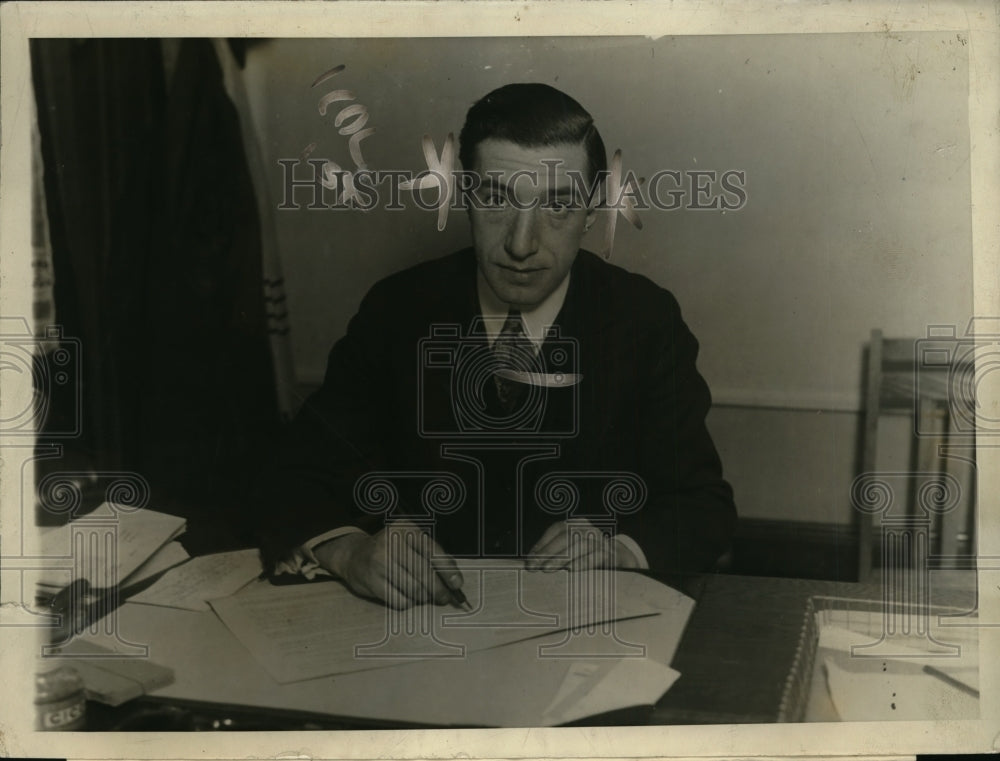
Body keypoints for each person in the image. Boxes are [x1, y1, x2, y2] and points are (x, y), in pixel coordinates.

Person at [257, 83, 736, 608]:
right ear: (464, 194)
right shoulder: (397, 309)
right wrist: (349, 551)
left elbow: (702, 507)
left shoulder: (645, 320)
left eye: (558, 206)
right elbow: (294, 475)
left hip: (578, 634)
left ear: (594, 211)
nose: (521, 244)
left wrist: (619, 547)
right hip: (418, 636)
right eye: (496, 199)